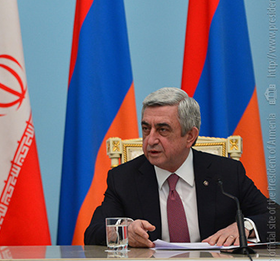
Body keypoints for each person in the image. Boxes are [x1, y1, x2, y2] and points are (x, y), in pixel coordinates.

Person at [84, 87, 277, 248]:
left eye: (163, 130)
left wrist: (244, 226)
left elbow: (274, 217)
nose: (150, 140)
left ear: (190, 136)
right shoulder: (124, 178)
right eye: (145, 128)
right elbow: (93, 233)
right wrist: (125, 231)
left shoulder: (225, 173)